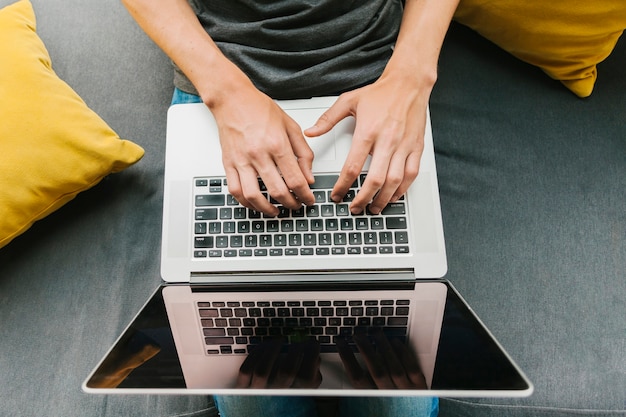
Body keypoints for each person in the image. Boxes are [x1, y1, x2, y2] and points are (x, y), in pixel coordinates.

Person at [121, 1, 458, 415]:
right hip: (222, 73)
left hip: (375, 75)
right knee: (258, 402)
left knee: (400, 405)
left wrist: (412, 78)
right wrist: (226, 95)